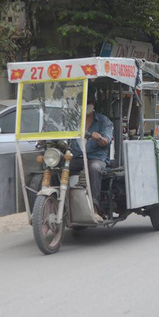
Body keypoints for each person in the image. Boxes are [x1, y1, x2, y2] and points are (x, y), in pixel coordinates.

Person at [70, 90, 113, 223]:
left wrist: (99, 137)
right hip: (77, 157)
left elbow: (106, 140)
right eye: (82, 103)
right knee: (58, 167)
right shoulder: (72, 121)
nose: (85, 105)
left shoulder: (103, 121)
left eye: (88, 102)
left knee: (94, 168)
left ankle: (94, 209)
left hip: (96, 158)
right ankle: (58, 203)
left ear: (93, 104)